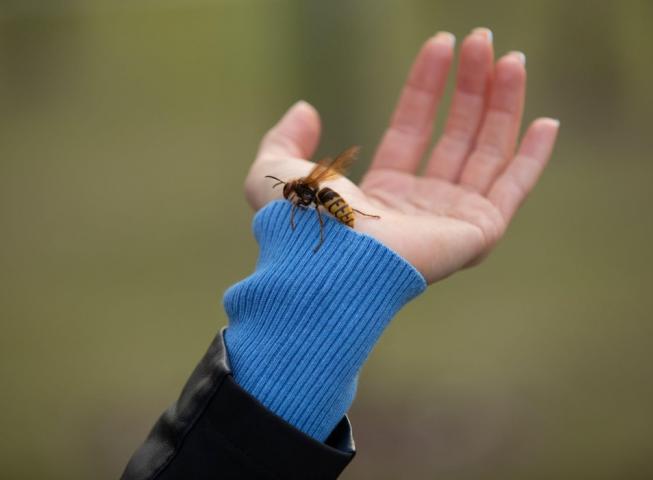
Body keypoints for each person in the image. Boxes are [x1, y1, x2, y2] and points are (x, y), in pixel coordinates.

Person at [121, 28, 559, 479]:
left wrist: (342, 260)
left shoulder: (311, 198)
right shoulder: (307, 195)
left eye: (292, 192)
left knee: (317, 213)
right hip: (347, 220)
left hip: (343, 216)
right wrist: (345, 267)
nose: (291, 196)